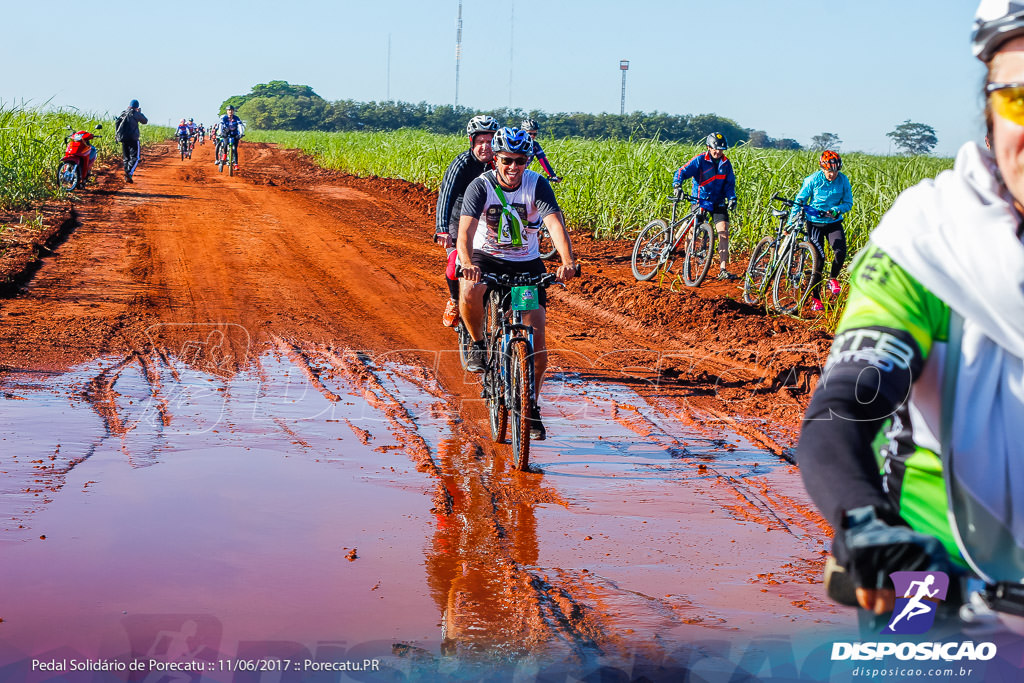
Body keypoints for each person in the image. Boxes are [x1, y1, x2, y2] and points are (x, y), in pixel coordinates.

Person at [797, 0, 1024, 619]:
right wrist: (866, 525)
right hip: (943, 600)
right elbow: (841, 410)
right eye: (1021, 100)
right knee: (821, 251)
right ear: (989, 110)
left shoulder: (840, 182)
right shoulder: (930, 242)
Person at [457, 127, 577, 440]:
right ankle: (479, 344)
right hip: (486, 258)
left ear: (527, 161)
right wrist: (467, 263)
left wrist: (567, 262)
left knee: (536, 342)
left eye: (520, 161)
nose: (513, 167)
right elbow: (466, 232)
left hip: (525, 264)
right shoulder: (479, 186)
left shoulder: (537, 185)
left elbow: (554, 224)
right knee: (470, 290)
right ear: (495, 159)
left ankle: (531, 406)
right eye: (507, 160)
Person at [435, 115, 500, 327]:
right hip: (458, 218)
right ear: (472, 142)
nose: (485, 147)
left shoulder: (500, 164)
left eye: (490, 142)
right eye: (480, 142)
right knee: (456, 263)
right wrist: (443, 229)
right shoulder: (462, 164)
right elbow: (446, 196)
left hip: (488, 219)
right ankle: (455, 300)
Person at [792, 150, 854, 311]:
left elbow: (848, 203)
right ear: (822, 168)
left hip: (833, 222)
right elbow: (800, 201)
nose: (832, 174)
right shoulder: (812, 180)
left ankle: (833, 279)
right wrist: (792, 221)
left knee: (840, 251)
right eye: (829, 171)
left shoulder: (843, 180)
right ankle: (815, 298)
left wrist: (837, 209)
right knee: (819, 260)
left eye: (835, 171)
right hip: (814, 223)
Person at [672, 132, 738, 280]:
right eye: (715, 149)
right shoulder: (700, 160)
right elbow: (681, 171)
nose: (718, 152)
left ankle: (723, 269)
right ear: (708, 147)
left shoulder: (726, 164)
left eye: (721, 149)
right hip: (700, 200)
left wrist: (732, 198)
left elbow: (729, 185)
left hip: (718, 202)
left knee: (724, 232)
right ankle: (687, 262)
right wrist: (677, 185)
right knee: (693, 232)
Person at [114, 99, 148, 183]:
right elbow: (145, 121)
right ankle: (129, 172)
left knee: (126, 158)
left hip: (123, 138)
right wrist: (139, 113)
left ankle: (127, 175)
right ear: (137, 107)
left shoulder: (123, 113)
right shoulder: (135, 113)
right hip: (133, 138)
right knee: (136, 158)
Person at [520, 118, 560, 183]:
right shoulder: (516, 143)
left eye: (535, 134)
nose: (532, 136)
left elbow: (543, 160)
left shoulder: (535, 146)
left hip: (521, 173)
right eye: (530, 133)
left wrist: (552, 175)